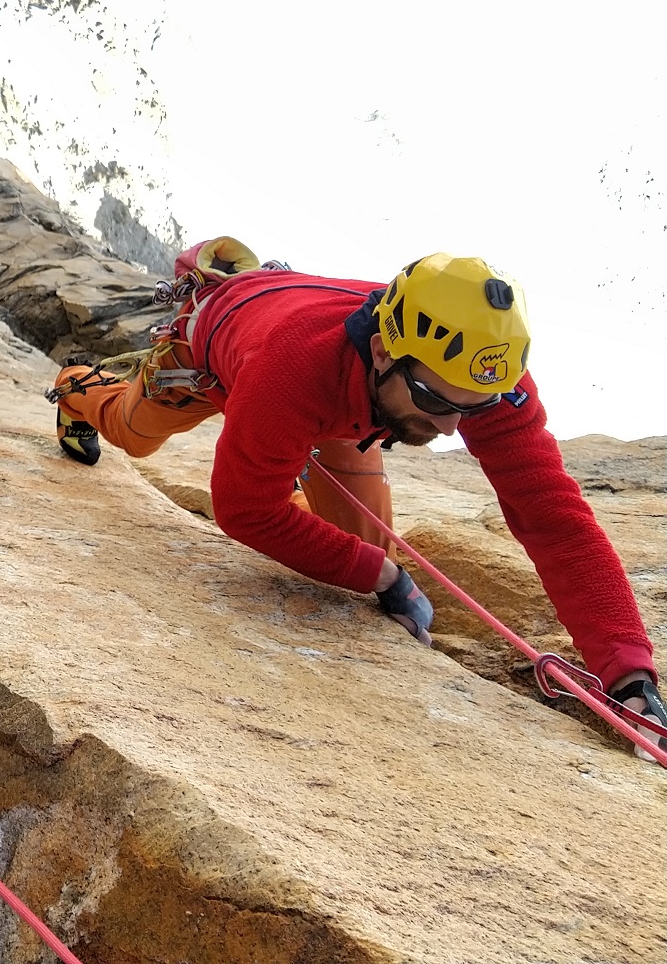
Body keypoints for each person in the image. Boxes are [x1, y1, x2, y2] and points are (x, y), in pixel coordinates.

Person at [48, 238, 665, 757]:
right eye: (436, 404)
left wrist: (629, 671)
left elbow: (551, 517)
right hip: (222, 346)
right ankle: (78, 389)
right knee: (135, 432)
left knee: (365, 557)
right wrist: (380, 573)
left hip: (345, 400)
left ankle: (330, 450)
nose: (454, 429)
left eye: (473, 408)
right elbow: (244, 508)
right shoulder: (293, 371)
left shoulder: (477, 371)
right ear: (381, 350)